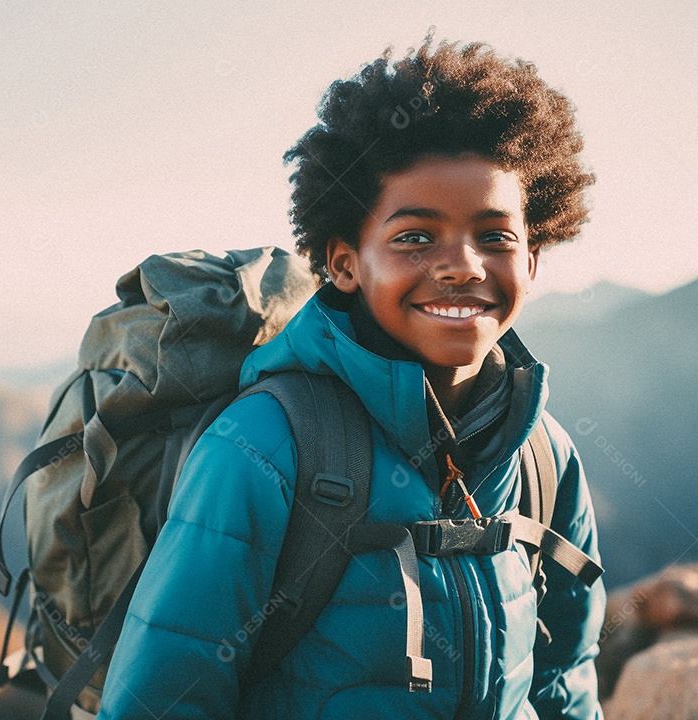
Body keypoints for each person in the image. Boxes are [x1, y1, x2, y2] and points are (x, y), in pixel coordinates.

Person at [95, 36, 606, 719]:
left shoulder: (543, 456)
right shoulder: (266, 446)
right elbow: (161, 700)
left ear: (534, 257)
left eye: (495, 236)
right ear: (343, 264)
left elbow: (564, 685)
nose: (464, 266)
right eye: (415, 237)